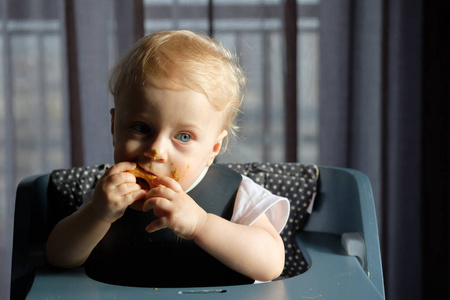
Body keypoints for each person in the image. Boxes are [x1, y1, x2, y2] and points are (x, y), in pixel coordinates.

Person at [46, 30, 290, 287]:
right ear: (114, 126)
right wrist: (97, 214)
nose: (155, 151)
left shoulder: (237, 194)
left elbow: (271, 264)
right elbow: (59, 257)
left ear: (214, 148)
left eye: (183, 137)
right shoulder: (107, 195)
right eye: (141, 128)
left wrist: (201, 224)